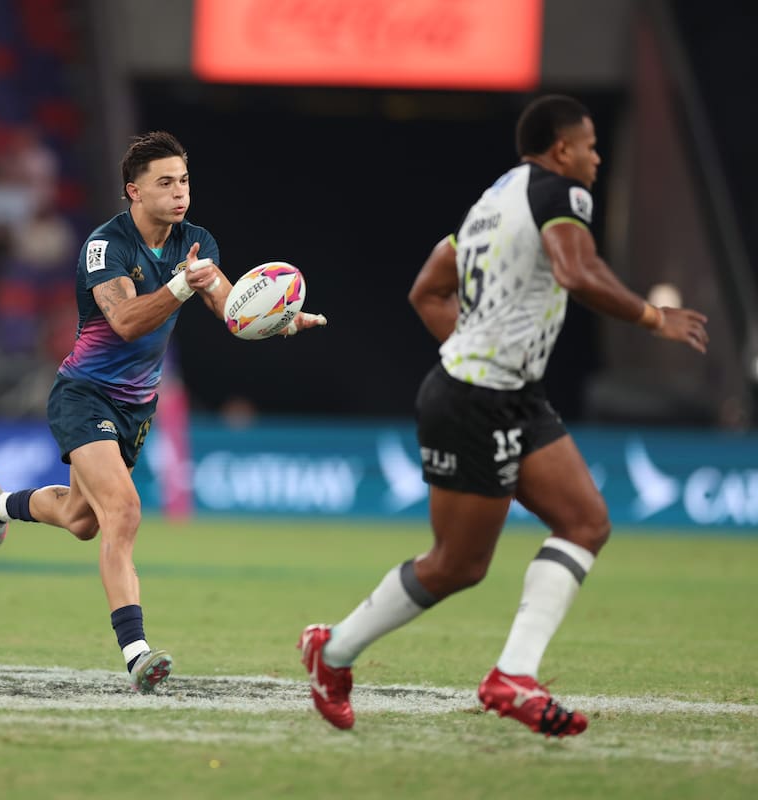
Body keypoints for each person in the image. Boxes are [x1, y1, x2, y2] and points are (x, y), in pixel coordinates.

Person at [298, 95, 708, 735]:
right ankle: (334, 651)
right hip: (475, 400)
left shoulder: (493, 201)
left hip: (506, 392)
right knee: (458, 564)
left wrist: (476, 345)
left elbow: (427, 288)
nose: (598, 157)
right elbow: (577, 271)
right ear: (562, 149)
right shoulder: (559, 193)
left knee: (585, 522)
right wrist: (654, 317)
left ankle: (512, 675)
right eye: (591, 145)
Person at [0, 131, 325, 691]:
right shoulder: (103, 246)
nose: (179, 192)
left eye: (183, 180)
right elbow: (128, 322)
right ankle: (137, 653)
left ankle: (0, 503)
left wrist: (278, 320)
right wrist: (182, 283)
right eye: (165, 183)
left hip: (137, 407)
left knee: (83, 521)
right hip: (83, 394)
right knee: (125, 512)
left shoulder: (197, 241)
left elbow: (233, 312)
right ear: (133, 191)